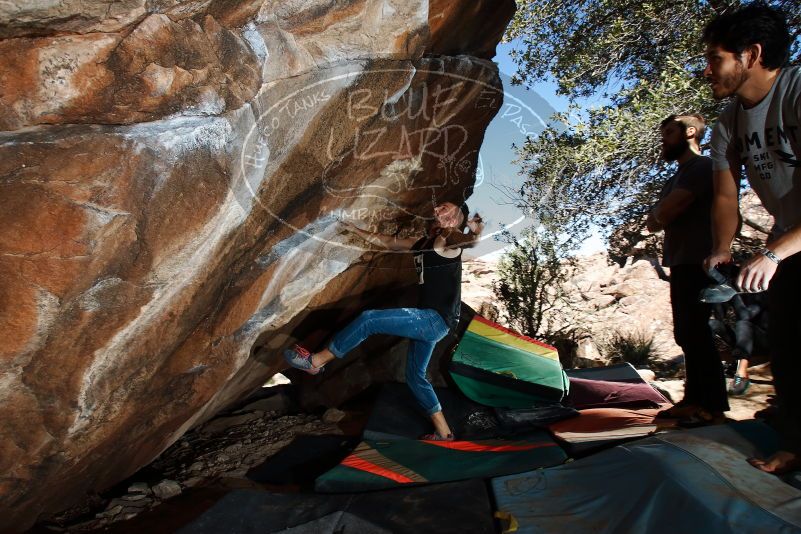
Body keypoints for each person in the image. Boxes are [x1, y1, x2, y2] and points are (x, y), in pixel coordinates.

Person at [284, 201, 484, 441]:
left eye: (445, 209)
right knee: (415, 377)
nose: (437, 211)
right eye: (438, 208)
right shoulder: (423, 244)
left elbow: (463, 241)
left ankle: (317, 361)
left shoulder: (448, 242)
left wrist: (474, 232)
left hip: (433, 319)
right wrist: (354, 228)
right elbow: (389, 242)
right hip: (432, 322)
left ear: (457, 219)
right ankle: (444, 432)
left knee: (370, 319)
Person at [702, 3, 801, 474]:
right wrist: (722, 246)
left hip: (788, 245)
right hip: (791, 243)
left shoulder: (798, 92)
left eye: (715, 58)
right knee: (789, 347)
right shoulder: (728, 123)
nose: (706, 70)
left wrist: (773, 252)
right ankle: (796, 445)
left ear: (751, 54)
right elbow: (725, 197)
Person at [646, 114, 729, 425]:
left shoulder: (701, 167)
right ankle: (695, 399)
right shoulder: (676, 176)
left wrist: (659, 214)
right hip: (681, 261)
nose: (664, 138)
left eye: (669, 132)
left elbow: (665, 212)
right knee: (686, 332)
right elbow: (655, 219)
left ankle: (711, 405)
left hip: (699, 260)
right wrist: (658, 215)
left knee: (695, 331)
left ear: (690, 132)